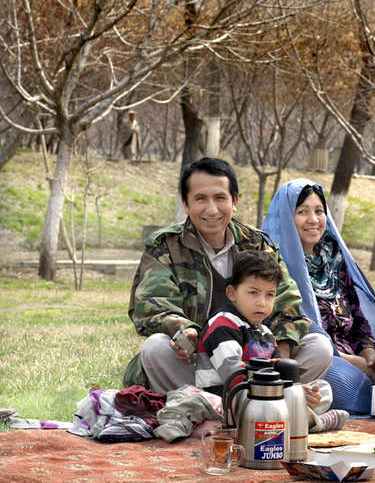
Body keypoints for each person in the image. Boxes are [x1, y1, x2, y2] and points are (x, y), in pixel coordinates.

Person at [124, 158, 333, 394]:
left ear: (234, 202)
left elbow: (287, 303)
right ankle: (193, 408)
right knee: (156, 348)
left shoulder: (257, 244)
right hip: (198, 360)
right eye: (201, 199)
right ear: (186, 203)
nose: (212, 209)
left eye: (220, 198)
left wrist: (279, 362)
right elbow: (153, 306)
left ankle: (266, 398)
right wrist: (185, 332)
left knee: (319, 347)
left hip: (255, 358)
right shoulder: (166, 245)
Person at [262, 179, 375, 414]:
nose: (313, 220)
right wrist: (350, 361)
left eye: (319, 211)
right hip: (314, 354)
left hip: (351, 350)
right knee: (347, 386)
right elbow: (293, 331)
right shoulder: (273, 262)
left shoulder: (333, 257)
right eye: (302, 212)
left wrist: (368, 354)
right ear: (286, 216)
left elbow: (357, 314)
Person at [195, 250, 348, 432]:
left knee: (322, 390)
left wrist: (297, 391)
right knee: (236, 401)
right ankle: (307, 422)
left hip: (266, 398)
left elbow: (280, 372)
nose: (262, 302)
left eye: (270, 295)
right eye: (253, 292)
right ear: (232, 293)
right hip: (227, 398)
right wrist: (284, 393)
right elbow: (234, 376)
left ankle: (297, 416)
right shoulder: (222, 324)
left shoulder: (265, 332)